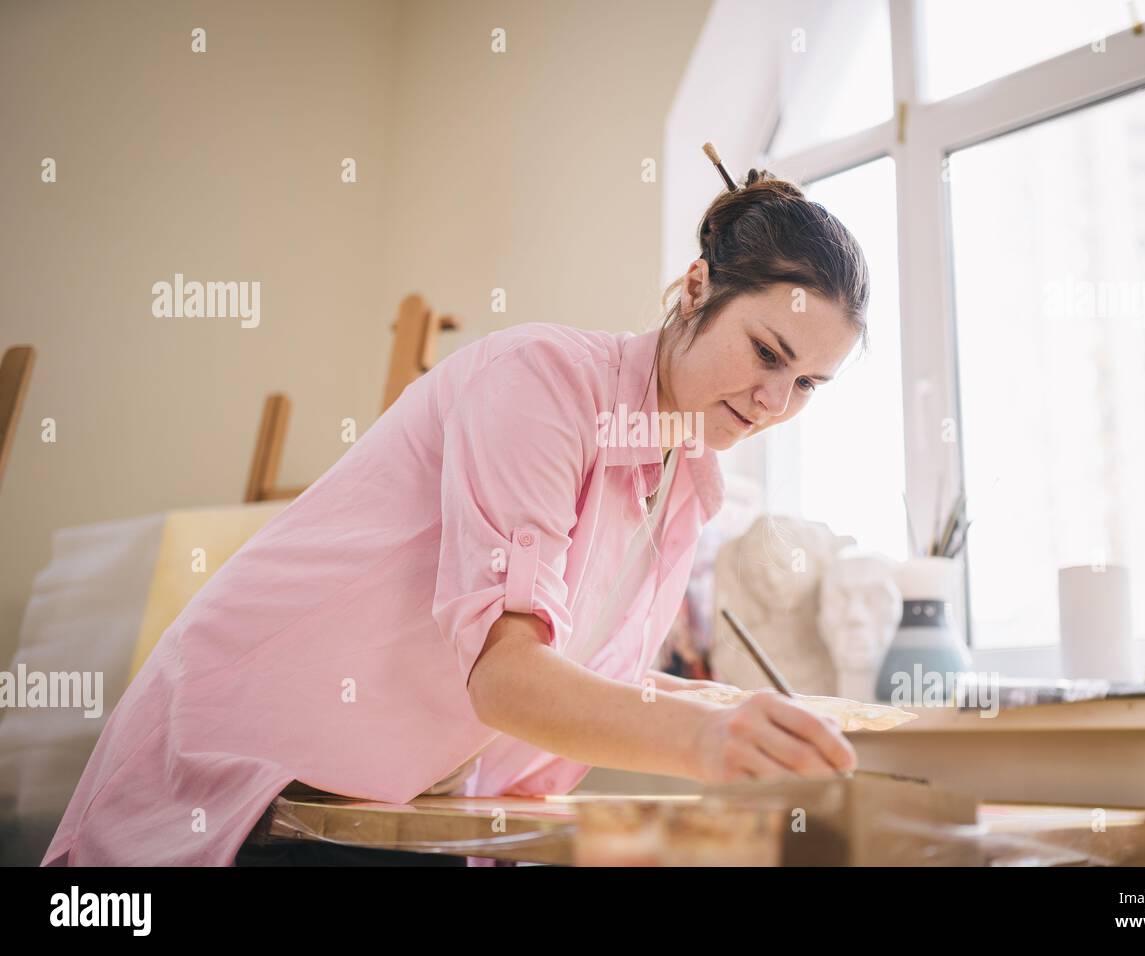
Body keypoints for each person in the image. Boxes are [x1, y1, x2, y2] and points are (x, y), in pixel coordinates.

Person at [42, 152, 871, 866]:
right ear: (697, 289)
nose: (772, 400)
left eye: (806, 386)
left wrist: (742, 716)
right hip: (240, 770)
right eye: (768, 352)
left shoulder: (684, 480)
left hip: (370, 795)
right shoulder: (541, 382)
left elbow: (575, 675)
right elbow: (508, 677)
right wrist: (704, 742)